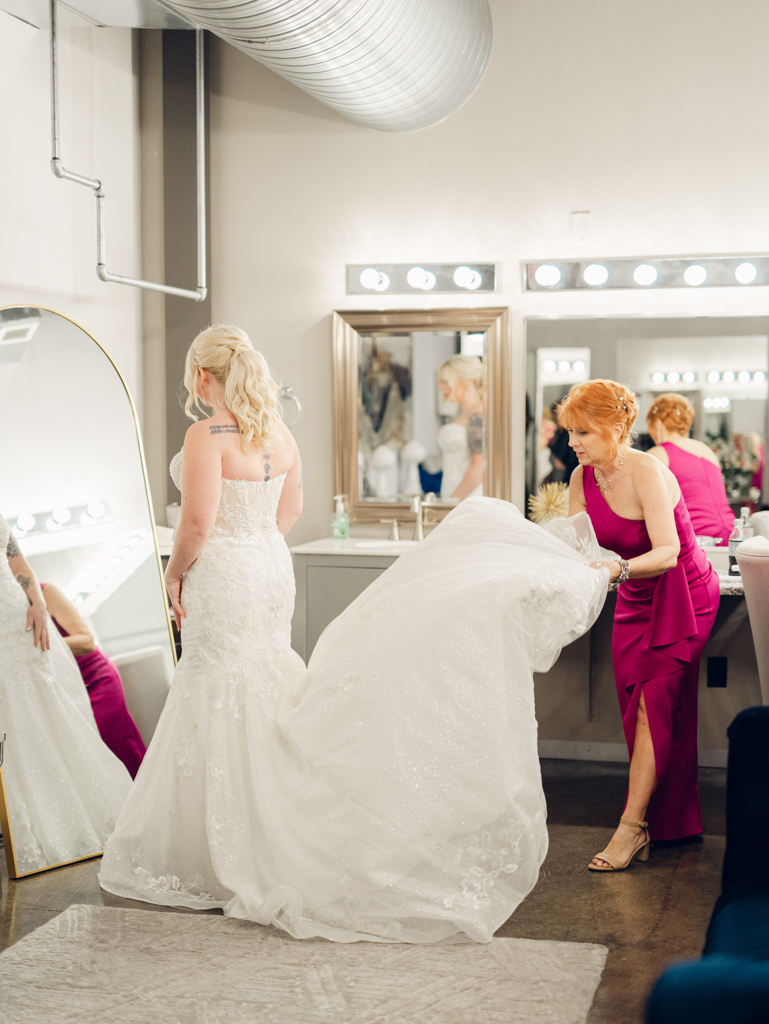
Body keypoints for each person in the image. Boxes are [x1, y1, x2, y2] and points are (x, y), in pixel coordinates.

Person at [99, 325, 609, 943]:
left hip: (225, 568)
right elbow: (289, 511)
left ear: (206, 378)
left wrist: (176, 575)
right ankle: (270, 823)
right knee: (260, 676)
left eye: (195, 379)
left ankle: (219, 846)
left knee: (217, 684)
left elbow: (198, 521)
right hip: (266, 564)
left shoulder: (209, 434)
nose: (196, 390)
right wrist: (257, 545)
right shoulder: (277, 434)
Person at [559, 379, 720, 872]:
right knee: (639, 708)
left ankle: (632, 829)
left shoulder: (649, 470)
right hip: (634, 596)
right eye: (570, 433)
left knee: (653, 708)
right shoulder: (579, 480)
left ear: (614, 426)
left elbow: (668, 552)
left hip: (684, 594)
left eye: (582, 432)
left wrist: (616, 569)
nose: (572, 443)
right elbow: (577, 547)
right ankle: (670, 822)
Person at [0, 519, 132, 874]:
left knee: (47, 712)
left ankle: (84, 819)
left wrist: (39, 604)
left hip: (21, 623)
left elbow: (18, 562)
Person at [40, 583, 146, 778]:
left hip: (95, 678)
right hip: (62, 692)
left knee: (117, 745)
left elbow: (86, 641)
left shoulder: (46, 592)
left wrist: (37, 645)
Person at [646, 393, 734, 544]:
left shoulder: (658, 454)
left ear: (658, 424)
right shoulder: (707, 451)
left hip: (697, 537)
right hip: (732, 533)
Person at [437, 355, 485, 500]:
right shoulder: (462, 413)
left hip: (465, 499)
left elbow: (479, 467)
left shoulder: (477, 415)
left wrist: (452, 500)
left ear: (466, 383)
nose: (441, 387)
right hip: (452, 493)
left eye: (446, 382)